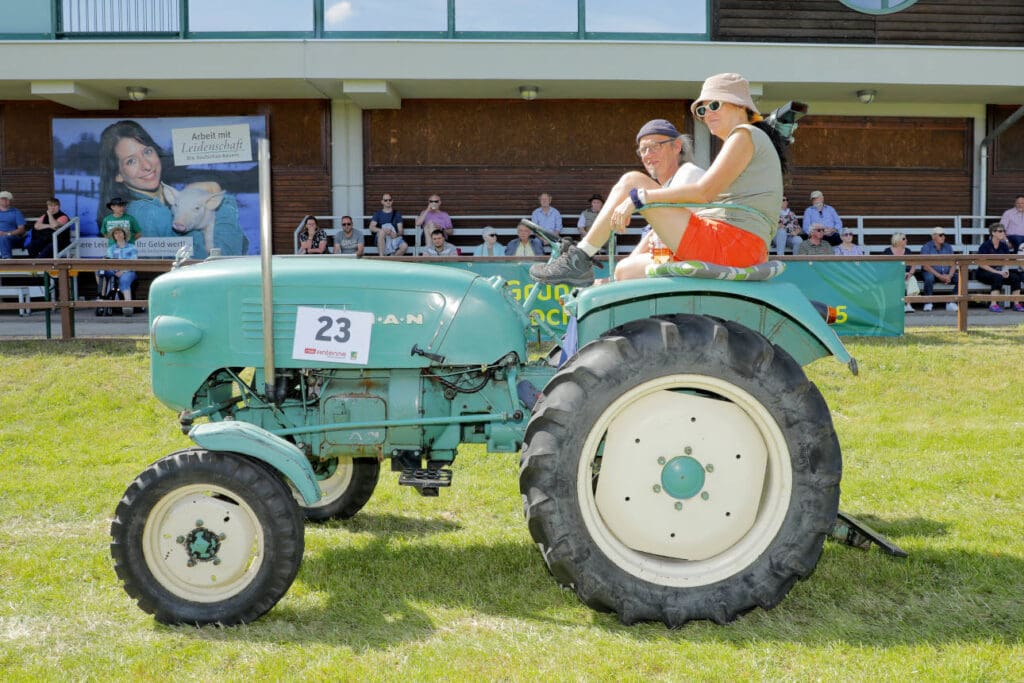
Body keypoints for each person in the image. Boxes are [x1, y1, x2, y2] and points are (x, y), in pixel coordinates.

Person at [530, 73, 783, 287]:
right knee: (625, 270)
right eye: (702, 110)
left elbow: (704, 192)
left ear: (739, 105)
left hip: (731, 244)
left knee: (632, 182)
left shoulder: (744, 135)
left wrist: (640, 198)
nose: (707, 115)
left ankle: (580, 258)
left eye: (714, 105)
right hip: (736, 245)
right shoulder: (748, 140)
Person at [97, 119, 247, 258]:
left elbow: (242, 243)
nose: (147, 166)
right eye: (131, 161)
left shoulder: (170, 199)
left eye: (147, 152)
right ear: (118, 175)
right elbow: (227, 255)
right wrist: (217, 197)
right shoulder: (151, 213)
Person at [611, 120, 705, 281]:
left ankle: (582, 253)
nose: (648, 154)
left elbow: (672, 233)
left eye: (655, 147)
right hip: (676, 259)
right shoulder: (666, 186)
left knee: (630, 179)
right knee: (623, 270)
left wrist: (623, 271)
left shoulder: (688, 173)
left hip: (697, 256)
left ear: (676, 146)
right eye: (643, 150)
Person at [975, 223, 1023, 312]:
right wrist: (998, 272)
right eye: (1000, 231)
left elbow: (1006, 261)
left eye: (1004, 231)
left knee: (1016, 277)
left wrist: (1005, 270)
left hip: (999, 272)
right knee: (997, 277)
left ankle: (1016, 304)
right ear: (993, 233)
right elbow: (982, 264)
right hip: (983, 272)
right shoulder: (985, 245)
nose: (1003, 233)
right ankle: (993, 304)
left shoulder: (1004, 246)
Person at [97, 225, 138, 316]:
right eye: (116, 233)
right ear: (114, 236)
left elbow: (134, 263)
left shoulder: (132, 247)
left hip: (128, 271)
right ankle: (102, 296)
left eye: (120, 232)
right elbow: (108, 261)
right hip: (114, 270)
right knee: (100, 270)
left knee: (124, 279)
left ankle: (128, 305)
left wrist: (122, 271)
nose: (118, 234)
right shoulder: (111, 249)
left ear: (124, 234)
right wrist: (115, 271)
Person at [920, 226, 958, 312]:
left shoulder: (948, 247)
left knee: (962, 278)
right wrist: (940, 276)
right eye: (941, 235)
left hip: (946, 273)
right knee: (929, 278)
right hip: (931, 272)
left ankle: (951, 302)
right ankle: (928, 302)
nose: (943, 237)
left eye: (944, 235)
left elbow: (953, 263)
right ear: (933, 236)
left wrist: (949, 275)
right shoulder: (926, 247)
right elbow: (925, 266)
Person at [882, 232, 920, 313]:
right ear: (897, 240)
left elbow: (914, 265)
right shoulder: (887, 251)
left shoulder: (908, 251)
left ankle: (908, 305)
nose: (906, 240)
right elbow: (884, 269)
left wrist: (909, 274)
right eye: (904, 239)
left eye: (905, 238)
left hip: (906, 276)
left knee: (912, 280)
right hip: (892, 277)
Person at [0, 190, 27, 259]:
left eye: (9, 199)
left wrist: (7, 233)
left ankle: (6, 259)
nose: (7, 200)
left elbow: (21, 229)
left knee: (4, 238)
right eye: (4, 199)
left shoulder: (16, 212)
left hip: (11, 237)